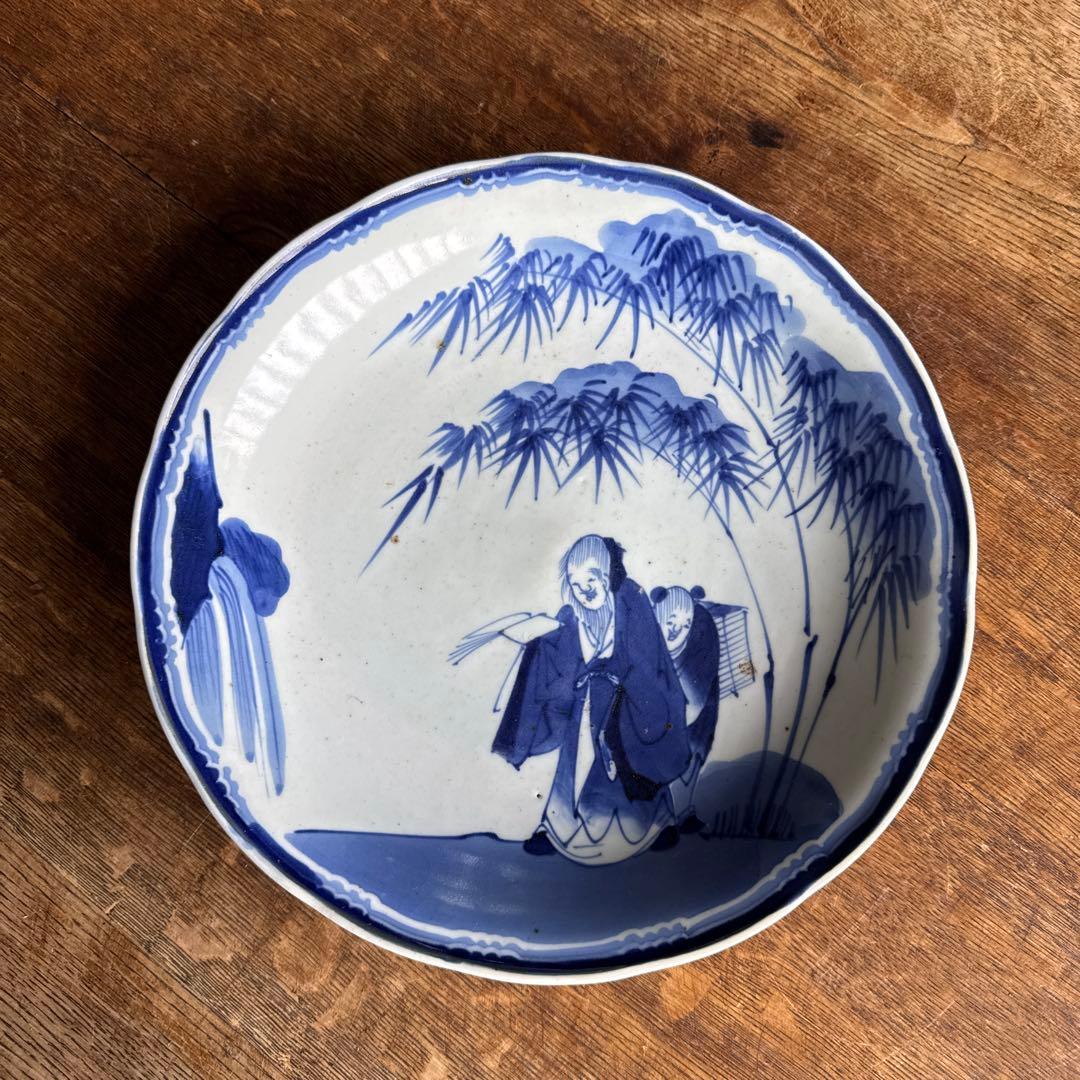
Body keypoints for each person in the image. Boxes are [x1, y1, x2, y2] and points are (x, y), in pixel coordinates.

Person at [490, 535, 691, 864]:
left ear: (606, 576)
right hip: (585, 708)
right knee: (574, 765)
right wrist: (539, 643)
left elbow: (647, 662)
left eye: (591, 581)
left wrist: (616, 676)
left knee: (631, 760)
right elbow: (564, 655)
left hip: (626, 709)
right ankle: (558, 828)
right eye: (576, 584)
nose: (584, 591)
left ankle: (653, 825)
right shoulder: (574, 615)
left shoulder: (632, 605)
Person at [651, 585, 721, 834]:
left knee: (687, 764)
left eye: (684, 626)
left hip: (692, 722)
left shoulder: (700, 641)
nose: (675, 631)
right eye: (670, 622)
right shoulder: (646, 642)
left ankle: (680, 815)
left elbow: (696, 700)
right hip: (658, 725)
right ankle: (662, 822)